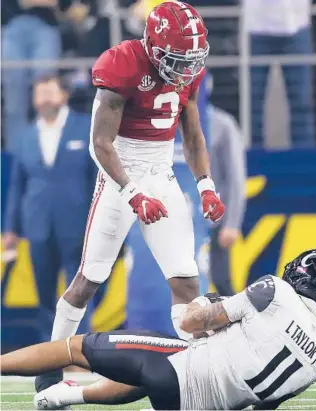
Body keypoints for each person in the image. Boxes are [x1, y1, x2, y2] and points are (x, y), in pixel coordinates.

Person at [34, 0, 225, 393]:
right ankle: (49, 366)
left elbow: (192, 136)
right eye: (177, 58)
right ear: (153, 46)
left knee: (186, 281)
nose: (187, 67)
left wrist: (205, 185)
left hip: (162, 173)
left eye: (193, 58)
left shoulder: (185, 70)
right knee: (89, 279)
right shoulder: (122, 64)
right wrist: (134, 194)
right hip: (119, 174)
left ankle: (194, 373)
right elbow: (100, 145)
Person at [1, 248, 316, 410]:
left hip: (179, 373)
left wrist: (203, 303)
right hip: (201, 404)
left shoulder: (277, 291)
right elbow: (268, 403)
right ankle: (65, 396)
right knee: (149, 369)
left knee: (75, 348)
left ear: (300, 276)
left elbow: (189, 323)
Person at [3, 74, 95, 341]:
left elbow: (96, 179)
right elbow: (17, 187)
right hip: (37, 225)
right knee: (44, 293)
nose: (44, 97)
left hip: (77, 224)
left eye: (49, 91)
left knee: (79, 290)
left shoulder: (84, 127)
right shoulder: (25, 137)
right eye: (39, 93)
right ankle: (50, 353)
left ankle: (81, 347)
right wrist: (11, 228)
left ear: (63, 95)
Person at [244, 0, 315, 146]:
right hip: (255, 25)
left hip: (297, 22)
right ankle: (252, 161)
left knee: (301, 101)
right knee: (251, 102)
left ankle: (305, 161)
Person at [2, 0, 63, 153]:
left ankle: (47, 153)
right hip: (12, 25)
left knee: (47, 93)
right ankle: (16, 158)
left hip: (46, 25)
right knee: (14, 97)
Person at [208, 74, 247, 296]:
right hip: (181, 219)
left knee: (221, 280)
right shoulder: (170, 121)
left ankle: (236, 330)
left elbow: (235, 178)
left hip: (214, 220)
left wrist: (232, 223)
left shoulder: (222, 124)